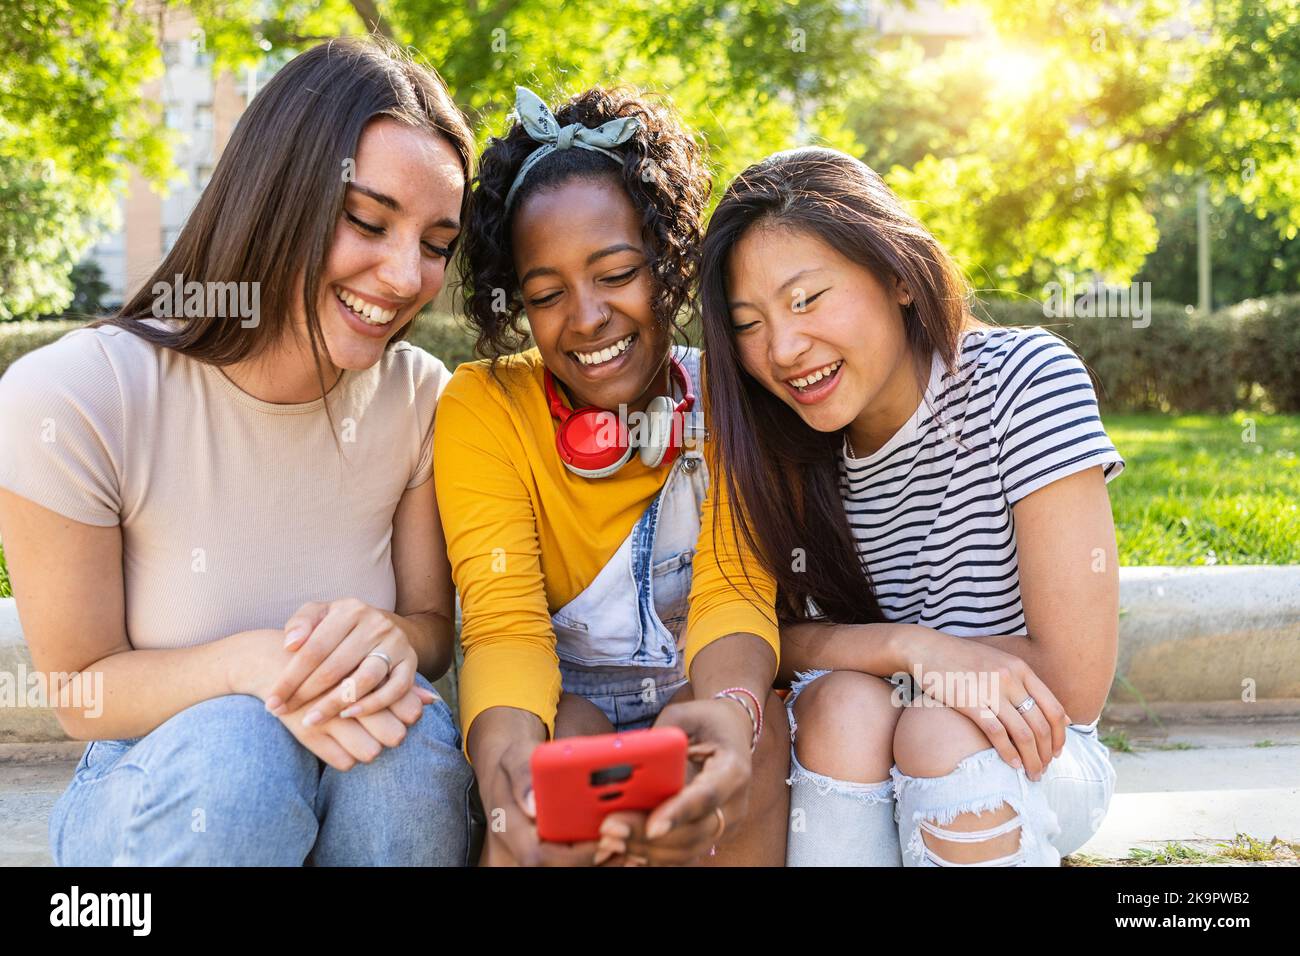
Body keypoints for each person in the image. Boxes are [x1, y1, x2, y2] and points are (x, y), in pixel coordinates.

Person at [0, 38, 477, 865]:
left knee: (404, 743)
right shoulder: (75, 396)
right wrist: (253, 667)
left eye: (436, 243)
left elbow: (434, 631)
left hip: (356, 775)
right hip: (155, 779)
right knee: (242, 750)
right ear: (274, 196)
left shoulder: (420, 398)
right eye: (366, 220)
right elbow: (80, 690)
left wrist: (393, 639)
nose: (405, 276)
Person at [693, 146, 1122, 866]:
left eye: (806, 299)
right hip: (863, 749)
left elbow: (1074, 680)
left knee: (933, 730)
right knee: (840, 707)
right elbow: (770, 636)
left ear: (896, 274)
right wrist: (911, 646)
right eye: (749, 323)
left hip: (1038, 750)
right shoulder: (781, 444)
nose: (786, 347)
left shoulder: (1024, 383)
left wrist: (928, 676)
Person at [438, 85, 790, 866]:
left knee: (753, 735)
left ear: (667, 261)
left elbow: (734, 589)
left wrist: (731, 715)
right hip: (561, 707)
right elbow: (502, 627)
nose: (587, 316)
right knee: (571, 751)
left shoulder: (729, 398)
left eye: (617, 272)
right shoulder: (483, 407)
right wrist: (508, 789)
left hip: (696, 689)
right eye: (546, 294)